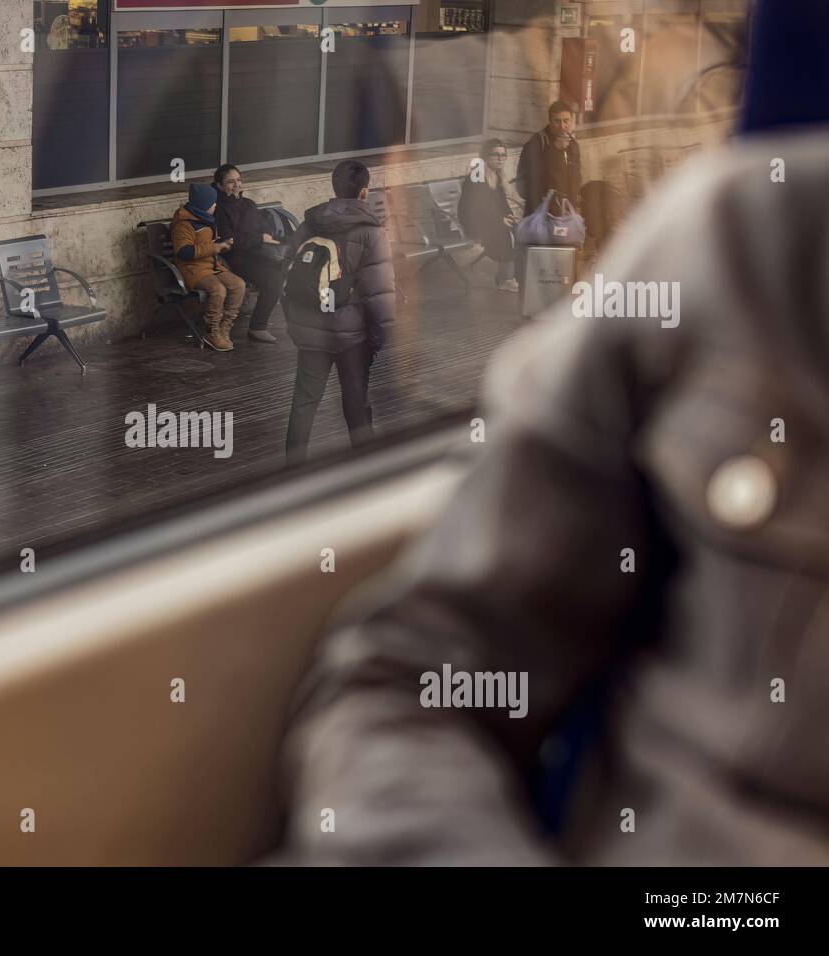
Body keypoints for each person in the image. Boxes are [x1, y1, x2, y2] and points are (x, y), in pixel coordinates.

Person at [272, 0, 829, 865]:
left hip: (347, 332)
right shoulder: (739, 244)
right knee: (348, 397)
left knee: (339, 400)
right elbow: (421, 675)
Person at [283, 160, 396, 465]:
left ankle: (292, 469)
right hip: (352, 335)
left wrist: (295, 320)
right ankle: (365, 467)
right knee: (356, 400)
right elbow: (379, 292)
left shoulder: (309, 223)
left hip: (310, 329)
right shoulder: (372, 232)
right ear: (364, 191)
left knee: (304, 403)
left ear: (333, 188)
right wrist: (379, 335)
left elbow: (286, 274)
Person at [171, 182, 245, 352]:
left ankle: (224, 328)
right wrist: (215, 247)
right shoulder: (185, 223)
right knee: (218, 290)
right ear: (203, 205)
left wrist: (224, 243)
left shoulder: (205, 218)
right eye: (213, 203)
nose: (215, 206)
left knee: (238, 285)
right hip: (192, 269)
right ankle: (211, 330)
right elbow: (184, 252)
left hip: (211, 265)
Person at [213, 164, 283, 344]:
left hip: (258, 252)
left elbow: (263, 229)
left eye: (239, 180)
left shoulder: (248, 204)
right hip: (236, 257)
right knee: (273, 280)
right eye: (230, 182)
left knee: (285, 268)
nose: (236, 185)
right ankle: (257, 327)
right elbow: (229, 240)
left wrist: (271, 239)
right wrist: (260, 238)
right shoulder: (219, 209)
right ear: (220, 186)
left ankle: (302, 321)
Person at [459, 139, 520, 292]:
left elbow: (502, 203)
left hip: (490, 218)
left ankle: (513, 275)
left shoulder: (495, 175)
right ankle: (504, 279)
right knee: (504, 232)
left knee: (518, 229)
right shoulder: (477, 176)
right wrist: (500, 220)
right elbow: (478, 207)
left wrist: (510, 216)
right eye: (495, 155)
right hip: (474, 220)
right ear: (486, 156)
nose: (500, 159)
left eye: (503, 155)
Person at [518, 100, 583, 215]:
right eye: (557, 121)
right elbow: (533, 176)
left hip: (566, 212)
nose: (562, 126)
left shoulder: (573, 145)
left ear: (571, 120)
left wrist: (574, 202)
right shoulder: (537, 142)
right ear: (550, 121)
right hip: (541, 213)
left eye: (566, 121)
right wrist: (555, 150)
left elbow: (576, 176)